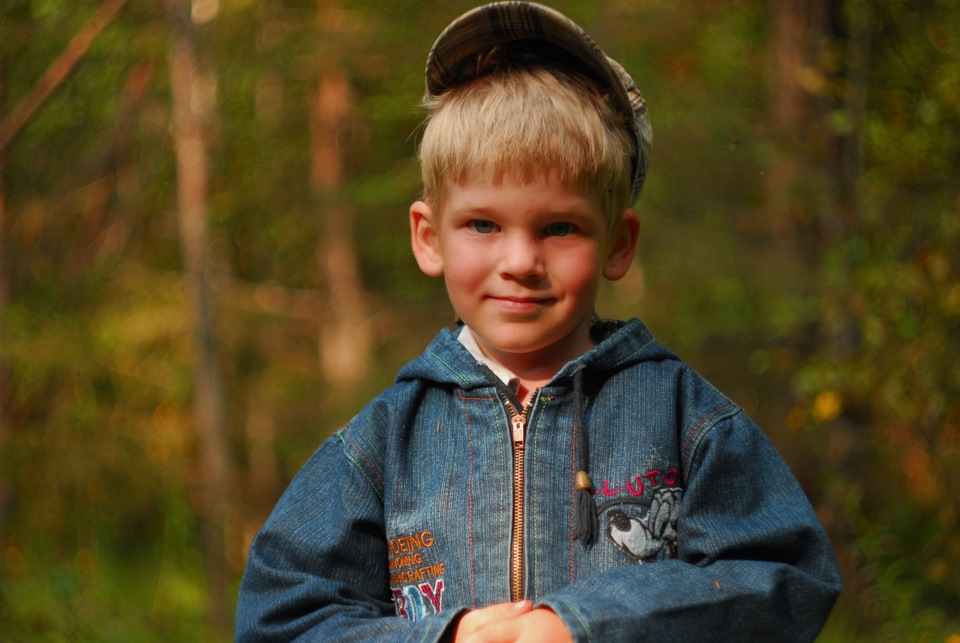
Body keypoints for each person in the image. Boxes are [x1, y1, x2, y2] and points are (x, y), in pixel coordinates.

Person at [235, 3, 842, 641]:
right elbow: (281, 619)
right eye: (483, 225)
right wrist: (442, 637)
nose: (520, 261)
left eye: (559, 228)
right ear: (428, 236)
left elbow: (785, 576)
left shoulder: (683, 416)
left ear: (617, 243)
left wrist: (587, 625)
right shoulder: (386, 443)